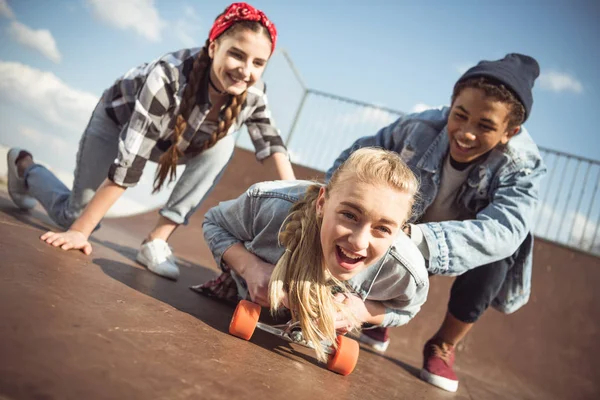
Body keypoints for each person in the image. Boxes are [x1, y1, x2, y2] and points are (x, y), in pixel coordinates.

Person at [6, 2, 295, 281]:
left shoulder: (253, 92)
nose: (246, 70)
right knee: (75, 217)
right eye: (237, 55)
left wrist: (298, 200)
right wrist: (80, 232)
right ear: (213, 46)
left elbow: (270, 143)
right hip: (117, 125)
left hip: (179, 142)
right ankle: (25, 167)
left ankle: (156, 240)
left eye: (258, 62)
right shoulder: (168, 76)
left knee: (224, 145)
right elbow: (129, 163)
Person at [326, 54, 546, 392]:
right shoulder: (418, 128)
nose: (467, 133)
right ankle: (376, 313)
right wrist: (328, 201)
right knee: (372, 215)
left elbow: (505, 230)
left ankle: (443, 344)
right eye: (460, 115)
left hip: (464, 240)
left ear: (509, 132)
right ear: (451, 104)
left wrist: (415, 238)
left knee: (505, 251)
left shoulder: (523, 167)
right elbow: (356, 156)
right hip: (410, 218)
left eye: (485, 126)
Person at [193, 147, 429, 362]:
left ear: (397, 231)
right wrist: (249, 267)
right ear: (322, 202)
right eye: (349, 215)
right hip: (248, 295)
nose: (359, 242)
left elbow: (407, 309)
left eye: (383, 229)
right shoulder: (270, 204)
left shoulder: (404, 267)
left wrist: (362, 311)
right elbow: (215, 223)